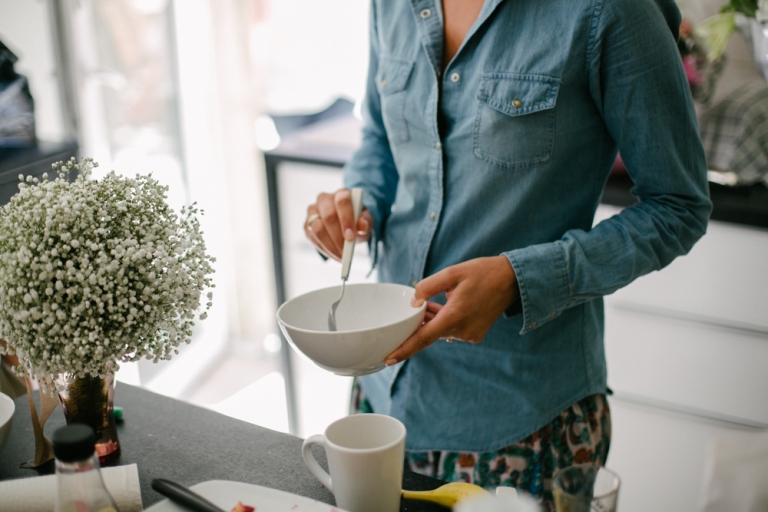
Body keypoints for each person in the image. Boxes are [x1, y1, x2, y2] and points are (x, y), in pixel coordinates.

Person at [303, 0, 711, 508]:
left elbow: (679, 205)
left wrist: (520, 279)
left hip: (524, 425)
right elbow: (380, 139)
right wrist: (358, 202)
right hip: (383, 397)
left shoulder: (611, 9)